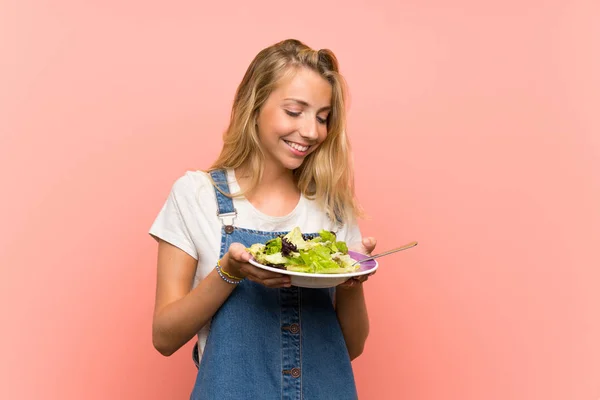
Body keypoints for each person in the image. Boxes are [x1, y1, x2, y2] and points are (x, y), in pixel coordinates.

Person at [149, 38, 377, 400]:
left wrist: (354, 280)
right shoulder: (197, 196)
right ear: (254, 105)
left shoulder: (331, 208)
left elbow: (351, 347)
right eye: (294, 111)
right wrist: (229, 272)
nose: (312, 131)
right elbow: (164, 337)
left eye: (322, 117)